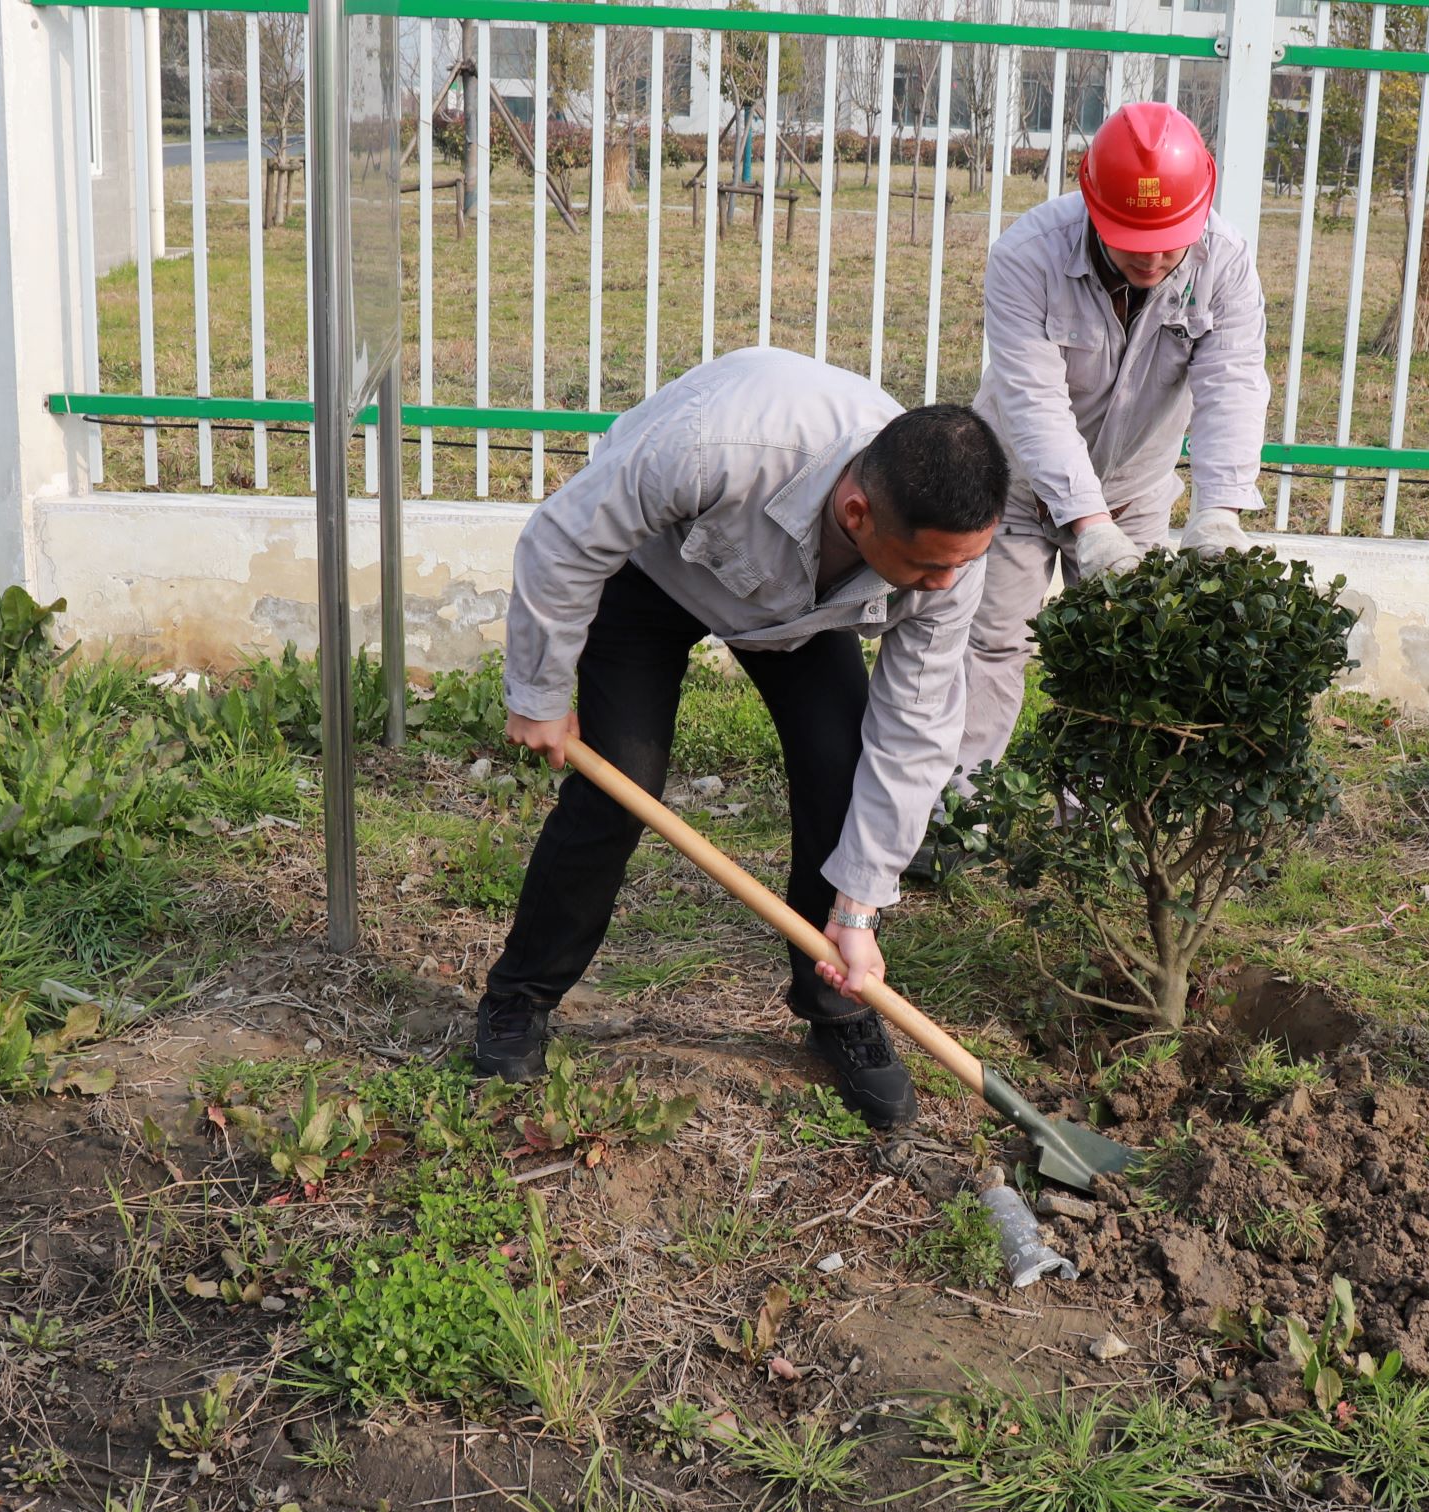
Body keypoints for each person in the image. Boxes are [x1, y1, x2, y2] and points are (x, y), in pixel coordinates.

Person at [472, 346, 1011, 1131]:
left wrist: (858, 912)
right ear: (859, 513)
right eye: (928, 568)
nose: (945, 586)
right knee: (619, 787)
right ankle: (520, 996)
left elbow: (915, 733)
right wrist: (540, 691)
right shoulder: (717, 445)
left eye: (960, 565)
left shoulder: (950, 557)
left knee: (844, 768)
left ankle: (835, 1000)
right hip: (651, 576)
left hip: (801, 615)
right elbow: (564, 540)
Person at [941, 101, 1272, 826]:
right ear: (1091, 205)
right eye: (1133, 244)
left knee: (1127, 656)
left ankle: (1096, 819)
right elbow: (1032, 401)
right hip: (1017, 486)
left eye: (1169, 244)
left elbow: (1232, 384)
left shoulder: (1225, 261)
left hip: (1137, 491)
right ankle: (956, 815)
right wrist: (1086, 523)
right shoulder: (1027, 256)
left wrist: (1218, 510)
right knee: (991, 645)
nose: (1152, 261)